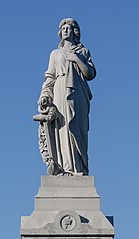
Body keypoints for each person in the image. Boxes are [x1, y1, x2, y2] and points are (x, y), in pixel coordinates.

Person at [37, 18, 96, 176]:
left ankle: (80, 167)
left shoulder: (83, 52)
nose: (65, 30)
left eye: (68, 27)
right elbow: (50, 77)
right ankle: (65, 167)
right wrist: (45, 95)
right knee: (63, 128)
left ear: (74, 31)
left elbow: (91, 73)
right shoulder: (55, 54)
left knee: (79, 129)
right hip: (61, 91)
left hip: (79, 93)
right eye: (62, 28)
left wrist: (76, 59)